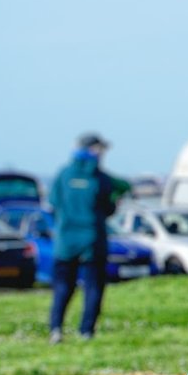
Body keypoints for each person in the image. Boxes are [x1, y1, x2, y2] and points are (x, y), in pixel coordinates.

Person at [48, 133, 118, 343]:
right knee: (94, 287)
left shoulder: (63, 174)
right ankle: (86, 331)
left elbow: (53, 203)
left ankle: (56, 329)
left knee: (62, 287)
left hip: (65, 240)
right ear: (93, 150)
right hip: (92, 240)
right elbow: (109, 208)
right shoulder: (101, 178)